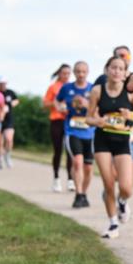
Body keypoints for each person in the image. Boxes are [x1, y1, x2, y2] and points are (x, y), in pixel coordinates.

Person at [88, 55, 133, 238]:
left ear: (125, 73)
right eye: (113, 68)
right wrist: (98, 120)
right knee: (108, 183)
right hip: (102, 141)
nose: (116, 71)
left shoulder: (131, 92)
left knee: (127, 187)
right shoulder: (97, 91)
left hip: (122, 141)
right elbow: (88, 118)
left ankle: (122, 201)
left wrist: (132, 115)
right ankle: (113, 223)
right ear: (107, 70)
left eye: (121, 69)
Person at [56, 61, 96, 208]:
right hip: (72, 131)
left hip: (90, 132)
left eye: (83, 71)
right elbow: (57, 101)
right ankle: (78, 194)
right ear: (74, 72)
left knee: (88, 167)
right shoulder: (67, 88)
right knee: (77, 162)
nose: (80, 74)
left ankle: (84, 193)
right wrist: (60, 107)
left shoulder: (93, 89)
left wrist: (87, 105)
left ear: (87, 72)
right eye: (78, 71)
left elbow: (99, 109)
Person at [44, 64, 74, 192]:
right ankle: (56, 178)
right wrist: (56, 105)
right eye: (64, 73)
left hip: (70, 121)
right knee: (58, 151)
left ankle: (70, 180)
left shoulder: (72, 87)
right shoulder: (53, 87)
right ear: (59, 74)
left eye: (68, 73)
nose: (66, 76)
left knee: (70, 151)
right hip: (56, 121)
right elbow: (45, 103)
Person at [0, 78, 19, 169]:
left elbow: (16, 100)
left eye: (4, 83)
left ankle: (7, 155)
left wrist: (11, 104)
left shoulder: (10, 92)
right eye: (1, 83)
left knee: (9, 139)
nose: (3, 85)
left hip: (9, 119)